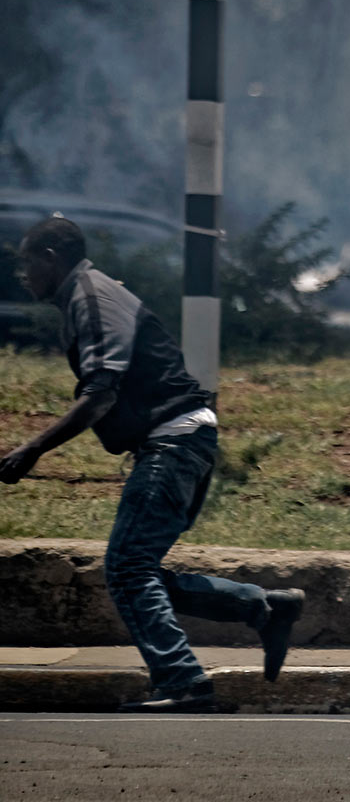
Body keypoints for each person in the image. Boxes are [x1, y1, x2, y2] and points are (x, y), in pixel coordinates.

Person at [0, 216, 304, 713]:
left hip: (174, 441)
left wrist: (32, 449)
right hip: (183, 439)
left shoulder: (92, 299)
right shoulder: (85, 297)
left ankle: (183, 681)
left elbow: (100, 394)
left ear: (51, 258)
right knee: (137, 571)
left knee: (126, 568)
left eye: (26, 261)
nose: (23, 273)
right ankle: (263, 607)